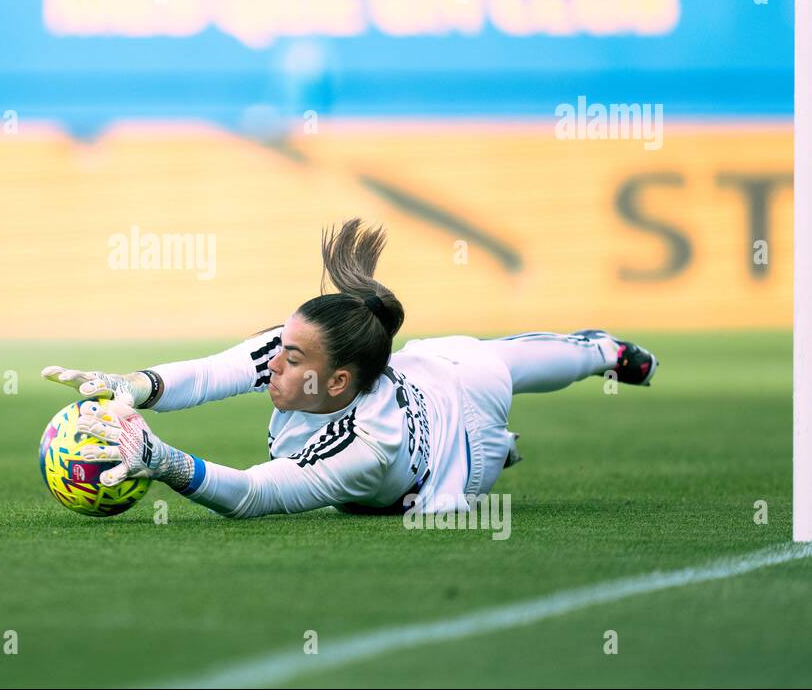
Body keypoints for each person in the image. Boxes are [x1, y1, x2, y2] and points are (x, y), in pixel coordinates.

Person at [42, 218, 657, 519]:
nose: (271, 363)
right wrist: (134, 387)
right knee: (478, 355)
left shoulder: (370, 447)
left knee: (496, 362)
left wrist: (170, 464)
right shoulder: (302, 360)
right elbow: (206, 376)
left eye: (290, 356)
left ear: (337, 382)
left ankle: (603, 352)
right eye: (279, 344)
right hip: (417, 382)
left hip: (460, 451)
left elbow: (256, 494)